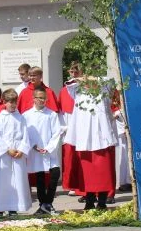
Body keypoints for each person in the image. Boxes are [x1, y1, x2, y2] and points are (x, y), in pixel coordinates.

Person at [66, 78, 118, 210]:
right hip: (85, 141)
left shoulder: (103, 92)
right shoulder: (79, 93)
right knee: (87, 175)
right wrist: (81, 79)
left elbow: (111, 81)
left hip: (102, 140)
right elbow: (70, 84)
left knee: (104, 174)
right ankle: (89, 201)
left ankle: (102, 202)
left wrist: (91, 78)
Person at [0, 89, 31, 217]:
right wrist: (7, 149)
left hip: (18, 153)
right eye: (10, 102)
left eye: (15, 102)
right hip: (5, 155)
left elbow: (25, 135)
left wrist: (22, 150)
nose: (13, 105)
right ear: (4, 102)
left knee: (17, 180)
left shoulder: (21, 118)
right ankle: (0, 207)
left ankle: (14, 207)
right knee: (3, 180)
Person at [23, 86, 63, 214]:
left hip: (48, 149)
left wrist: (49, 148)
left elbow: (56, 133)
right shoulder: (26, 115)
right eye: (38, 98)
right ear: (33, 98)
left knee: (55, 173)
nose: (41, 100)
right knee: (39, 176)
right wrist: (33, 145)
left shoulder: (51, 114)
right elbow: (25, 133)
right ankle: (42, 204)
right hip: (35, 150)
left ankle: (48, 202)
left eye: (43, 98)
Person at [59, 63, 84, 196]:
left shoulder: (86, 88)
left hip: (83, 123)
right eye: (72, 71)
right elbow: (61, 110)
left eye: (76, 72)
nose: (74, 74)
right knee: (70, 156)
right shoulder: (64, 90)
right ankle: (71, 185)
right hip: (69, 124)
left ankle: (83, 184)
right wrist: (64, 127)